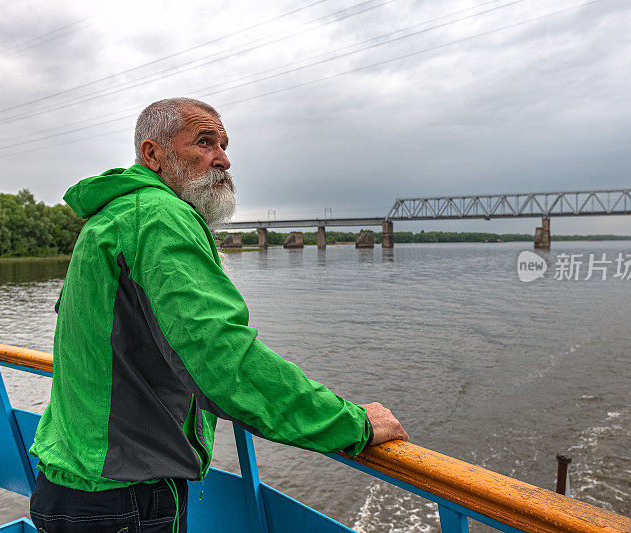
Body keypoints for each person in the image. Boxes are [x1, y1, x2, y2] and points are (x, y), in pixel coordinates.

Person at [28, 97, 408, 532]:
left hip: (67, 483)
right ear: (153, 154)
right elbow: (221, 356)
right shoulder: (159, 217)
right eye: (204, 142)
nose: (223, 160)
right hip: (124, 497)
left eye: (225, 145)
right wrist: (350, 422)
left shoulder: (112, 216)